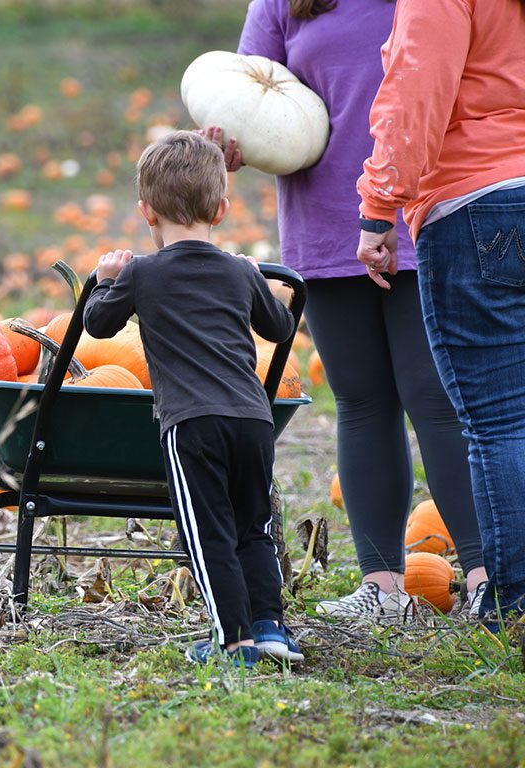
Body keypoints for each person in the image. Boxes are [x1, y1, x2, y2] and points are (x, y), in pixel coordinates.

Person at [226, 0, 487, 624]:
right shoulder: (286, 4)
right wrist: (226, 139)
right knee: (362, 401)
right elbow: (246, 96)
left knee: (435, 399)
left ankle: (485, 578)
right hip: (326, 226)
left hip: (426, 216)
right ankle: (383, 587)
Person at [83, 130, 301, 667]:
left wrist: (105, 280)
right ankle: (271, 628)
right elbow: (278, 328)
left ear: (146, 212)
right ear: (222, 209)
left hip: (192, 424)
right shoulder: (240, 271)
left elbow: (97, 324)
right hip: (254, 420)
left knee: (209, 535)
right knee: (255, 525)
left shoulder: (140, 273)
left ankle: (233, 642)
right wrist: (256, 281)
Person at [356, 0, 525, 630]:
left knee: (500, 422)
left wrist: (379, 207)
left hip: (479, 203)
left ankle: (517, 605)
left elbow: (417, 91)